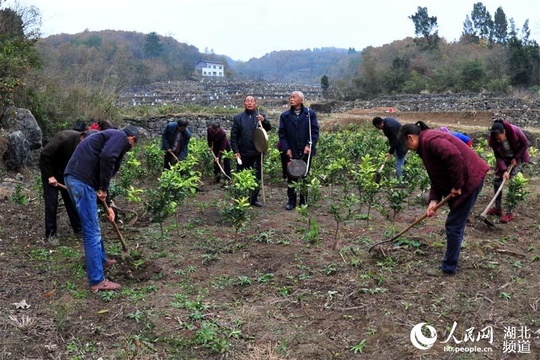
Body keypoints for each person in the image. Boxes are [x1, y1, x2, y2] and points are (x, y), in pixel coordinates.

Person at [400, 121, 489, 275]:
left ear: (410, 138)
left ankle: (449, 268)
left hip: (471, 179)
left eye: (406, 145)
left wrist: (457, 184)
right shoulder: (425, 145)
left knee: (453, 224)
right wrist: (433, 201)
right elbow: (436, 176)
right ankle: (452, 257)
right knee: (456, 221)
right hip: (464, 180)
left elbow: (454, 156)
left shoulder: (432, 140)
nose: (408, 149)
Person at [64, 126, 139, 291]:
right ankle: (97, 280)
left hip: (77, 179)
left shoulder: (108, 137)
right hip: (82, 181)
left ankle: (102, 259)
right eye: (132, 146)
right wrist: (103, 188)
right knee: (92, 231)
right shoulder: (120, 137)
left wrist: (108, 205)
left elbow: (101, 171)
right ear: (132, 139)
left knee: (93, 225)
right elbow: (107, 158)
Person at [39, 129, 97, 240]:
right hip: (50, 170)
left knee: (71, 200)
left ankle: (78, 229)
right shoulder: (63, 138)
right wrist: (50, 176)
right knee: (51, 203)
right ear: (82, 137)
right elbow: (44, 156)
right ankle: (51, 234)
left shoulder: (86, 146)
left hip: (66, 173)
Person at [279, 91, 319, 210]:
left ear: (301, 100)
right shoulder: (285, 116)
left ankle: (303, 200)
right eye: (290, 97)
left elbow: (314, 131)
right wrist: (286, 149)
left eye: (294, 97)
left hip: (305, 150)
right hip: (291, 150)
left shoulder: (309, 114)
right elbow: (282, 134)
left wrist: (309, 145)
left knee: (304, 175)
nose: (291, 99)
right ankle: (291, 201)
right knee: (291, 174)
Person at [230, 96, 272, 207]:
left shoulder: (259, 117)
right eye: (247, 101)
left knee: (256, 176)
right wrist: (236, 150)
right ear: (244, 103)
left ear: (255, 103)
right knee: (241, 175)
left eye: (252, 101)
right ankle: (241, 198)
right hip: (243, 153)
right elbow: (234, 136)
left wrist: (264, 120)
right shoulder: (238, 118)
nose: (249, 103)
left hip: (256, 152)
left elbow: (267, 128)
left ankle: (253, 199)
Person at [487, 120, 530, 223]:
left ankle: (510, 212)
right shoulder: (494, 140)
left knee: (513, 183)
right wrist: (504, 170)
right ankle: (498, 209)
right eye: (496, 139)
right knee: (497, 180)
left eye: (499, 138)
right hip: (504, 158)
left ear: (504, 132)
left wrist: (516, 158)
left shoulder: (515, 131)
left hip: (519, 157)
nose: (498, 141)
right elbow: (498, 156)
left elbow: (525, 144)